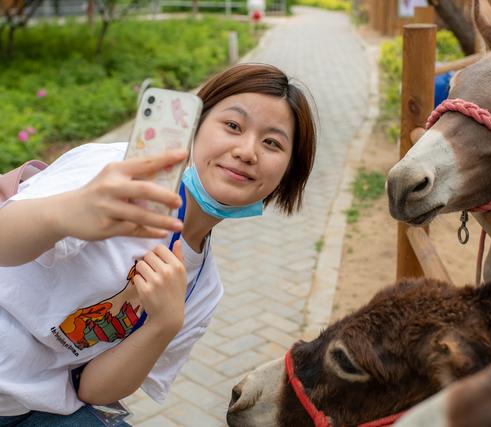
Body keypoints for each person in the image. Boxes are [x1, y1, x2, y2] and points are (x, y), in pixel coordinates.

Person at [0, 63, 316, 425]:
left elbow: (93, 392)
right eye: (232, 126)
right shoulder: (113, 175)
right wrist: (72, 211)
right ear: (193, 126)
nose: (247, 151)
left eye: (272, 143)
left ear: (287, 175)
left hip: (30, 410)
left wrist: (162, 324)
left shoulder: (202, 290)